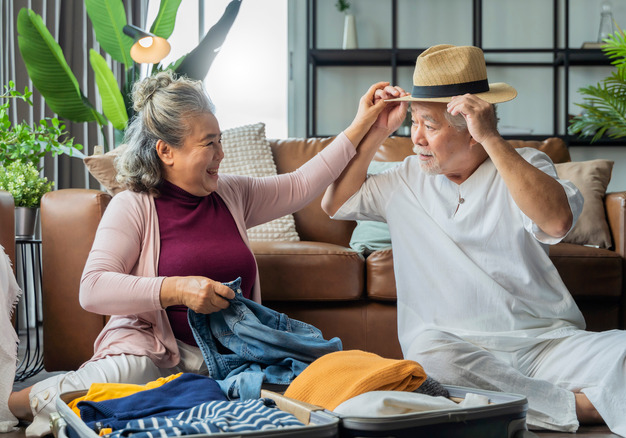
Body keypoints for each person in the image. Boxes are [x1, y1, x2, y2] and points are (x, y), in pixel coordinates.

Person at [321, 44, 626, 438]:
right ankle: (577, 409)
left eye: (430, 125)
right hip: (460, 351)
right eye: (413, 122)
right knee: (429, 357)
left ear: (472, 125)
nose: (416, 137)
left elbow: (557, 221)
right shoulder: (402, 179)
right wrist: (372, 128)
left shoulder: (528, 165)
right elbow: (333, 203)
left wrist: (493, 140)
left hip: (546, 344)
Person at [6, 71, 392, 437]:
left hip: (233, 356)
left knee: (311, 387)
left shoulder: (231, 193)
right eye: (209, 143)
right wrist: (176, 290)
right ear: (166, 151)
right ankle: (16, 403)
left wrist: (364, 124)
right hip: (154, 354)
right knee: (103, 389)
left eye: (220, 140)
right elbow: (92, 289)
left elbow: (301, 183)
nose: (221, 154)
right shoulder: (134, 206)